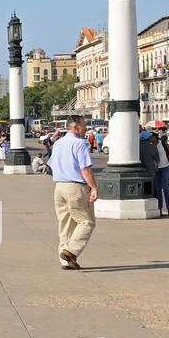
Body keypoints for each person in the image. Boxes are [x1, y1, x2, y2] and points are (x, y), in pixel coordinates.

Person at [49, 115, 98, 270]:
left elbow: (51, 164)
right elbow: (85, 169)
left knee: (66, 224)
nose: (86, 129)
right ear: (76, 127)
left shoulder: (58, 143)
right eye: (84, 126)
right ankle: (70, 252)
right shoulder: (79, 143)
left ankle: (65, 261)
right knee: (87, 222)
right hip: (75, 187)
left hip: (59, 187)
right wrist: (94, 187)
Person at [148, 131, 169, 217]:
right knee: (158, 190)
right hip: (156, 169)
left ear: (155, 137)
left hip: (165, 167)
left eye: (150, 137)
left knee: (166, 188)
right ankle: (159, 208)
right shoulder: (150, 146)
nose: (149, 138)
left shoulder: (163, 144)